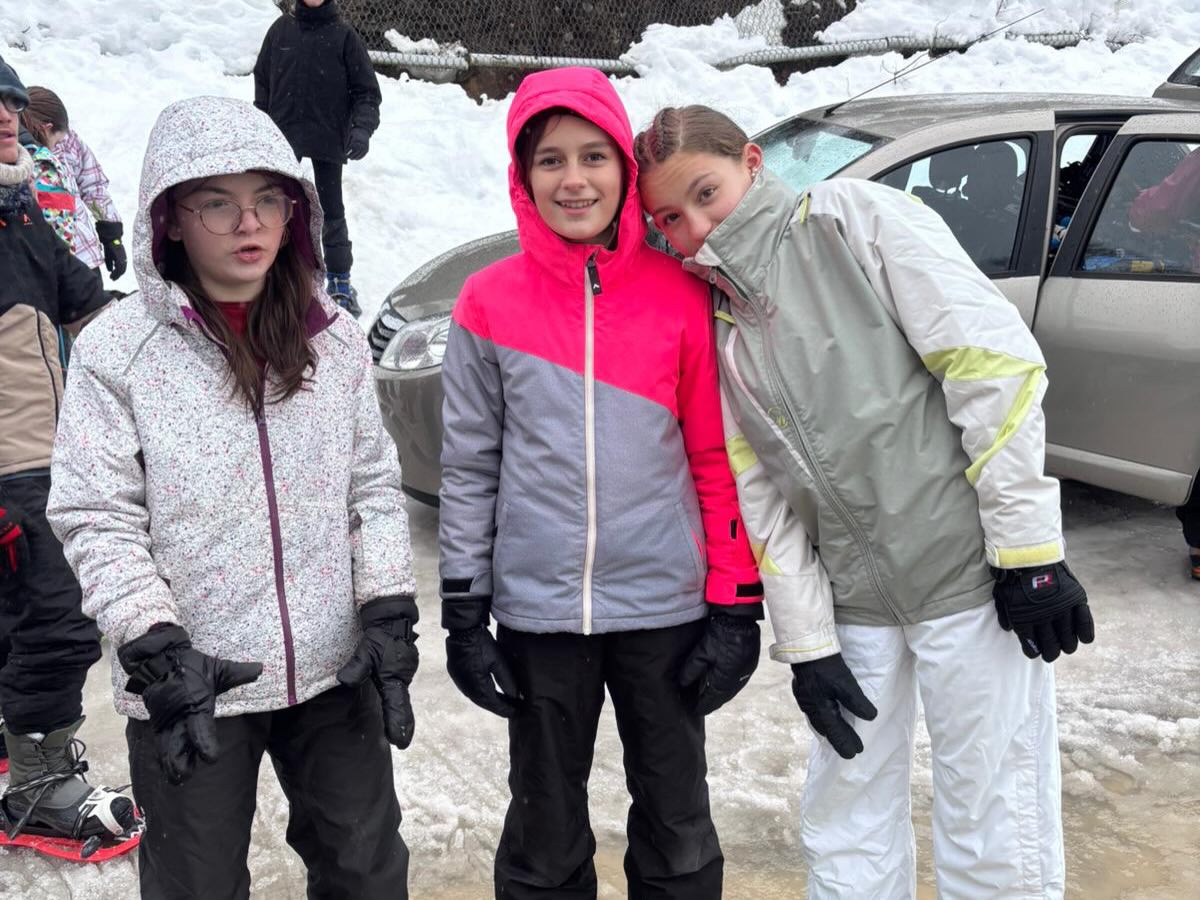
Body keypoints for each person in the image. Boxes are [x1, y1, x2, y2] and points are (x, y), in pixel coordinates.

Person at [635, 105, 1096, 899]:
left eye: (706, 193)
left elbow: (991, 366)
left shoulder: (854, 221)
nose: (697, 228)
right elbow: (763, 494)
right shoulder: (720, 319)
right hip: (855, 608)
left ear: (752, 162)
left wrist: (1028, 551)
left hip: (968, 581)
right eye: (671, 218)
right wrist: (809, 643)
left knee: (992, 811)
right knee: (845, 815)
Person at [45, 95, 418, 898]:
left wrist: (387, 606)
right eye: (217, 203)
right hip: (190, 682)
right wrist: (153, 642)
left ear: (294, 211)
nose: (248, 223)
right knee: (197, 885)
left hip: (333, 668)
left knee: (366, 872)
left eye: (267, 200)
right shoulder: (120, 351)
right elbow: (96, 513)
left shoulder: (332, 338)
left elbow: (372, 485)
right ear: (171, 220)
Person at [438, 69, 765, 899]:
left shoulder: (680, 292)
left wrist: (736, 601)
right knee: (543, 828)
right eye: (550, 160)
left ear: (624, 165)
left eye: (593, 156)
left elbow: (714, 456)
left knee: (677, 822)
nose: (574, 179)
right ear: (523, 174)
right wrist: (465, 609)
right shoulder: (487, 301)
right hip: (541, 614)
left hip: (666, 608)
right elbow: (470, 466)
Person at [0, 54, 138, 845]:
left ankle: (11, 740)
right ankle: (39, 783)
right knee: (59, 618)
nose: (5, 115)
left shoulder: (18, 212)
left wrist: (185, 317)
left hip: (42, 446)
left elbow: (84, 304)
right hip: (11, 464)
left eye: (10, 101)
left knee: (15, 613)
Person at [254, 0, 381, 317]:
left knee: (331, 209)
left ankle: (339, 280)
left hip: (327, 136)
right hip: (284, 136)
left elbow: (366, 91)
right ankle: (272, 274)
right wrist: (261, 126)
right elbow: (263, 81)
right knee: (275, 206)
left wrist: (361, 129)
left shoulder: (344, 36)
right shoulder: (281, 31)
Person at [20, 85, 126, 282]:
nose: (57, 144)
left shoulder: (66, 142)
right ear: (47, 128)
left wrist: (111, 232)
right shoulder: (15, 158)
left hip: (83, 261)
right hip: (40, 270)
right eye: (56, 140)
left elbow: (92, 184)